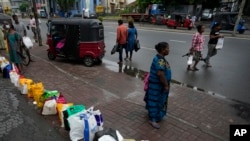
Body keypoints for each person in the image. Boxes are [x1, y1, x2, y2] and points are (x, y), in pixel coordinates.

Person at [144, 42, 172, 129]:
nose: (169, 50)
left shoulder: (161, 58)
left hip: (158, 85)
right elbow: (160, 73)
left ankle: (154, 115)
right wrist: (166, 85)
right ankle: (153, 120)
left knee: (157, 100)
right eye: (167, 48)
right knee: (155, 101)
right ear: (163, 50)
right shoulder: (160, 60)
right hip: (157, 86)